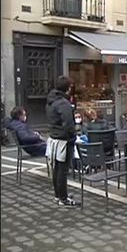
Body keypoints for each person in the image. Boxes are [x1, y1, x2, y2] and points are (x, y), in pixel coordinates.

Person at [46, 76, 79, 207]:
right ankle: (63, 198)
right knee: (62, 170)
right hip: (64, 140)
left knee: (57, 168)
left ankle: (58, 195)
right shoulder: (63, 103)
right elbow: (69, 125)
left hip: (54, 138)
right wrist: (73, 135)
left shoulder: (51, 101)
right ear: (68, 87)